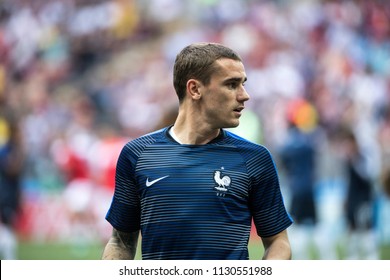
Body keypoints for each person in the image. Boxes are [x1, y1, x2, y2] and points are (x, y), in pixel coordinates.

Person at [102, 42, 293, 260]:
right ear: (194, 89)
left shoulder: (254, 159)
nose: (244, 95)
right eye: (231, 85)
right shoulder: (138, 155)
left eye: (243, 84)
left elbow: (278, 241)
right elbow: (120, 242)